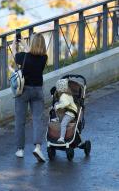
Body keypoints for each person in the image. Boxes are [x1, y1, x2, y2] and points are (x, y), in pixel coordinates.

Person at [13, 33, 48, 162]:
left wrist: (14, 45)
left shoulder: (23, 57)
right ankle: (38, 147)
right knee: (37, 119)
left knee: (20, 120)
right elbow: (32, 55)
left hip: (23, 91)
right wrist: (25, 44)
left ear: (31, 44)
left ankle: (20, 150)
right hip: (38, 91)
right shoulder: (44, 58)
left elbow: (17, 56)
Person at [54, 78, 78, 144]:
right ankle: (58, 118)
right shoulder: (67, 94)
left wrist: (58, 106)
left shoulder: (63, 96)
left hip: (71, 113)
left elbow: (66, 103)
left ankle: (62, 138)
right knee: (56, 104)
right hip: (68, 111)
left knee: (63, 124)